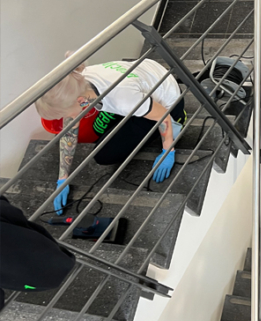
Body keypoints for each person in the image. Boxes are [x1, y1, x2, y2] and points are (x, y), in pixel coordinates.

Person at [35, 56, 186, 215]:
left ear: (80, 101)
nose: (63, 119)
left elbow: (162, 115)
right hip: (147, 72)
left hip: (168, 101)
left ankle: (180, 117)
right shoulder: (76, 81)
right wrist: (62, 178)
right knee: (104, 133)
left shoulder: (123, 99)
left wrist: (168, 150)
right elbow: (70, 129)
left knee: (105, 155)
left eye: (62, 115)